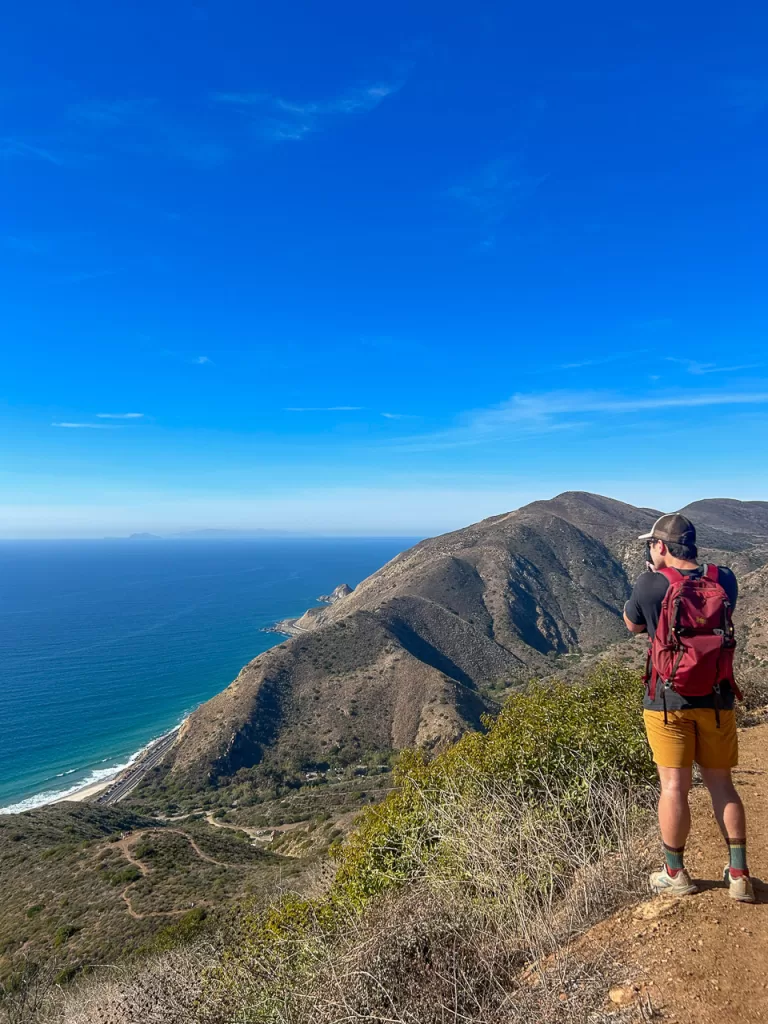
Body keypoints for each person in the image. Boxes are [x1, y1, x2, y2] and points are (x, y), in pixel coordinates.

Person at [623, 512, 755, 903]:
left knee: (674, 787)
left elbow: (632, 626)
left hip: (668, 702)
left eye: (652, 544)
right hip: (717, 699)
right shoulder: (725, 578)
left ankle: (675, 873)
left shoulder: (650, 583)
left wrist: (654, 576)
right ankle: (739, 874)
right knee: (722, 784)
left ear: (660, 547)